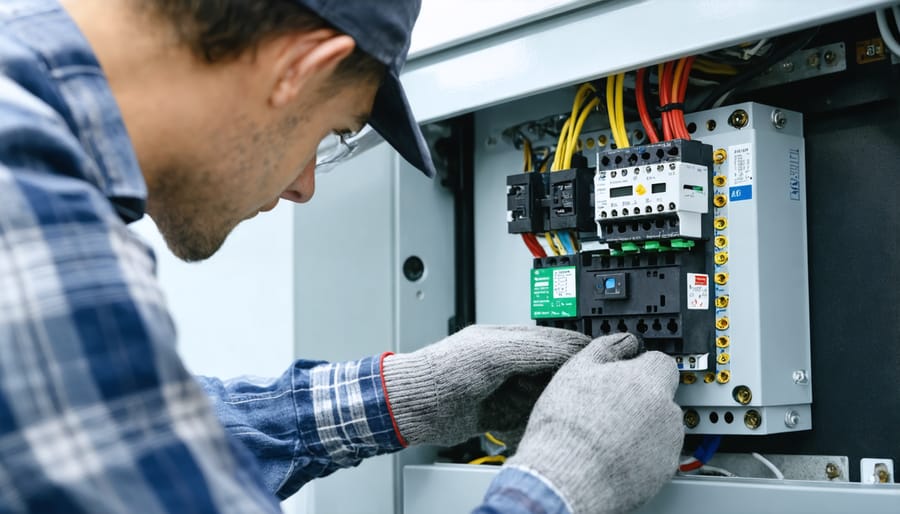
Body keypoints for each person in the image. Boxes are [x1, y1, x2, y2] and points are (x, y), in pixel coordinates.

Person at [0, 0, 683, 512]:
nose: (303, 187)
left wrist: (401, 397)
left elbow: (118, 440)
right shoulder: (25, 206)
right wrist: (562, 482)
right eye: (330, 132)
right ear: (300, 71)